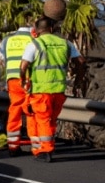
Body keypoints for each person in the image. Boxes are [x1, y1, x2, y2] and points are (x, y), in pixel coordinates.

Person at [19, 17, 86, 162]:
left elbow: (23, 66)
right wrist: (78, 80)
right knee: (51, 120)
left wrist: (23, 81)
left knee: (42, 120)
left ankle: (46, 150)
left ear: (37, 30)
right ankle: (39, 149)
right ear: (51, 28)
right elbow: (81, 61)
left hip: (40, 91)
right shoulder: (65, 43)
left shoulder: (35, 44)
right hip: (59, 90)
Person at [0, 18, 37, 156]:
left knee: (14, 110)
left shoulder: (7, 40)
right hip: (28, 79)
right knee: (30, 110)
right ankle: (36, 146)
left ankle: (13, 145)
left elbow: (1, 58)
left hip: (12, 80)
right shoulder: (34, 38)